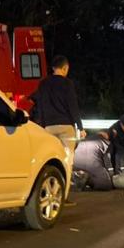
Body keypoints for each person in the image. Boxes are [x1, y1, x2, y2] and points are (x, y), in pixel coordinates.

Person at [27, 55, 85, 203]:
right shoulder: (67, 84)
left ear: (53, 68)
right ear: (65, 68)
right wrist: (80, 127)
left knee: (49, 159)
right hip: (66, 128)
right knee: (66, 160)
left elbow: (38, 106)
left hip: (48, 128)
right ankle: (62, 195)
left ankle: (46, 190)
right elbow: (73, 106)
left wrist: (42, 125)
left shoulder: (43, 84)